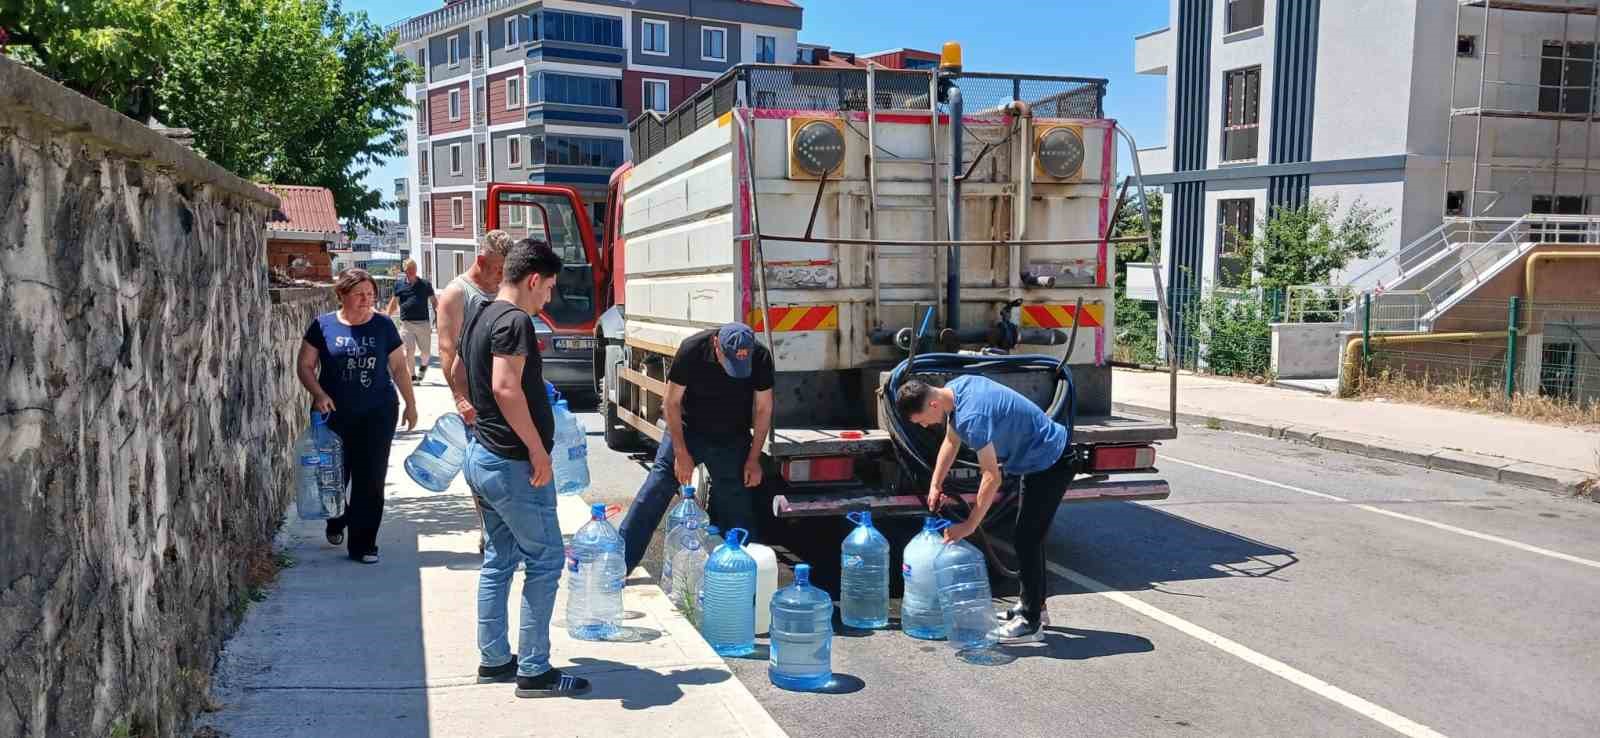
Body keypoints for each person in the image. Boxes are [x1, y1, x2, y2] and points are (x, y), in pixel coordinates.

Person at [453, 239, 591, 698]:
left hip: (482, 456)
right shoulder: (514, 321)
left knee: (499, 560)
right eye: (548, 288)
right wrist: (538, 451)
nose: (547, 298)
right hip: (512, 464)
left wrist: (483, 412)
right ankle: (534, 671)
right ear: (533, 279)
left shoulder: (481, 312)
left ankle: (494, 660)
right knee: (546, 560)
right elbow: (505, 386)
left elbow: (459, 369)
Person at [896, 375, 1072, 644]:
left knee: (1027, 539)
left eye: (920, 419)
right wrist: (935, 484)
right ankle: (1034, 605)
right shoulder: (958, 390)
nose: (923, 425)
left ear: (932, 404)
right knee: (1028, 538)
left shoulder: (971, 417)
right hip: (1036, 459)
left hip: (1050, 462)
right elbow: (951, 442)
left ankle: (1031, 621)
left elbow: (992, 477)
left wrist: (968, 526)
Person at [617, 323, 773, 573]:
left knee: (736, 504)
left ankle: (743, 575)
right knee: (656, 488)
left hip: (731, 435)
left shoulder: (760, 356)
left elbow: (764, 409)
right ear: (717, 347)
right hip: (687, 429)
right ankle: (619, 564)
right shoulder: (692, 350)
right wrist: (680, 453)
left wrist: (754, 459)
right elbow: (671, 403)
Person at [296, 268, 419, 563]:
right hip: (334, 415)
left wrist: (410, 404)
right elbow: (304, 365)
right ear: (342, 295)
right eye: (359, 295)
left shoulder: (384, 326)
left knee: (371, 479)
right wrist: (319, 394)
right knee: (336, 475)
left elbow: (400, 369)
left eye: (371, 295)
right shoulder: (322, 325)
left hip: (378, 412)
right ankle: (337, 519)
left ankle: (364, 544)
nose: (367, 300)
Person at [437, 231, 513, 554]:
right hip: (476, 400)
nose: (501, 277)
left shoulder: (502, 291)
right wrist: (460, 398)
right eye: (497, 270)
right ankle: (489, 534)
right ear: (481, 261)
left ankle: (506, 531)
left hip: (504, 396)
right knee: (484, 472)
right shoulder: (457, 294)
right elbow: (446, 350)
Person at [385, 258, 437, 382]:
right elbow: (393, 304)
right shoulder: (399, 285)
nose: (412, 271)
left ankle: (423, 367)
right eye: (409, 269)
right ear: (405, 271)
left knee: (425, 352)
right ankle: (413, 376)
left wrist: (440, 316)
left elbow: (435, 302)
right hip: (407, 324)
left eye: (413, 269)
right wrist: (386, 317)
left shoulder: (425, 284)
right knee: (409, 350)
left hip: (423, 323)